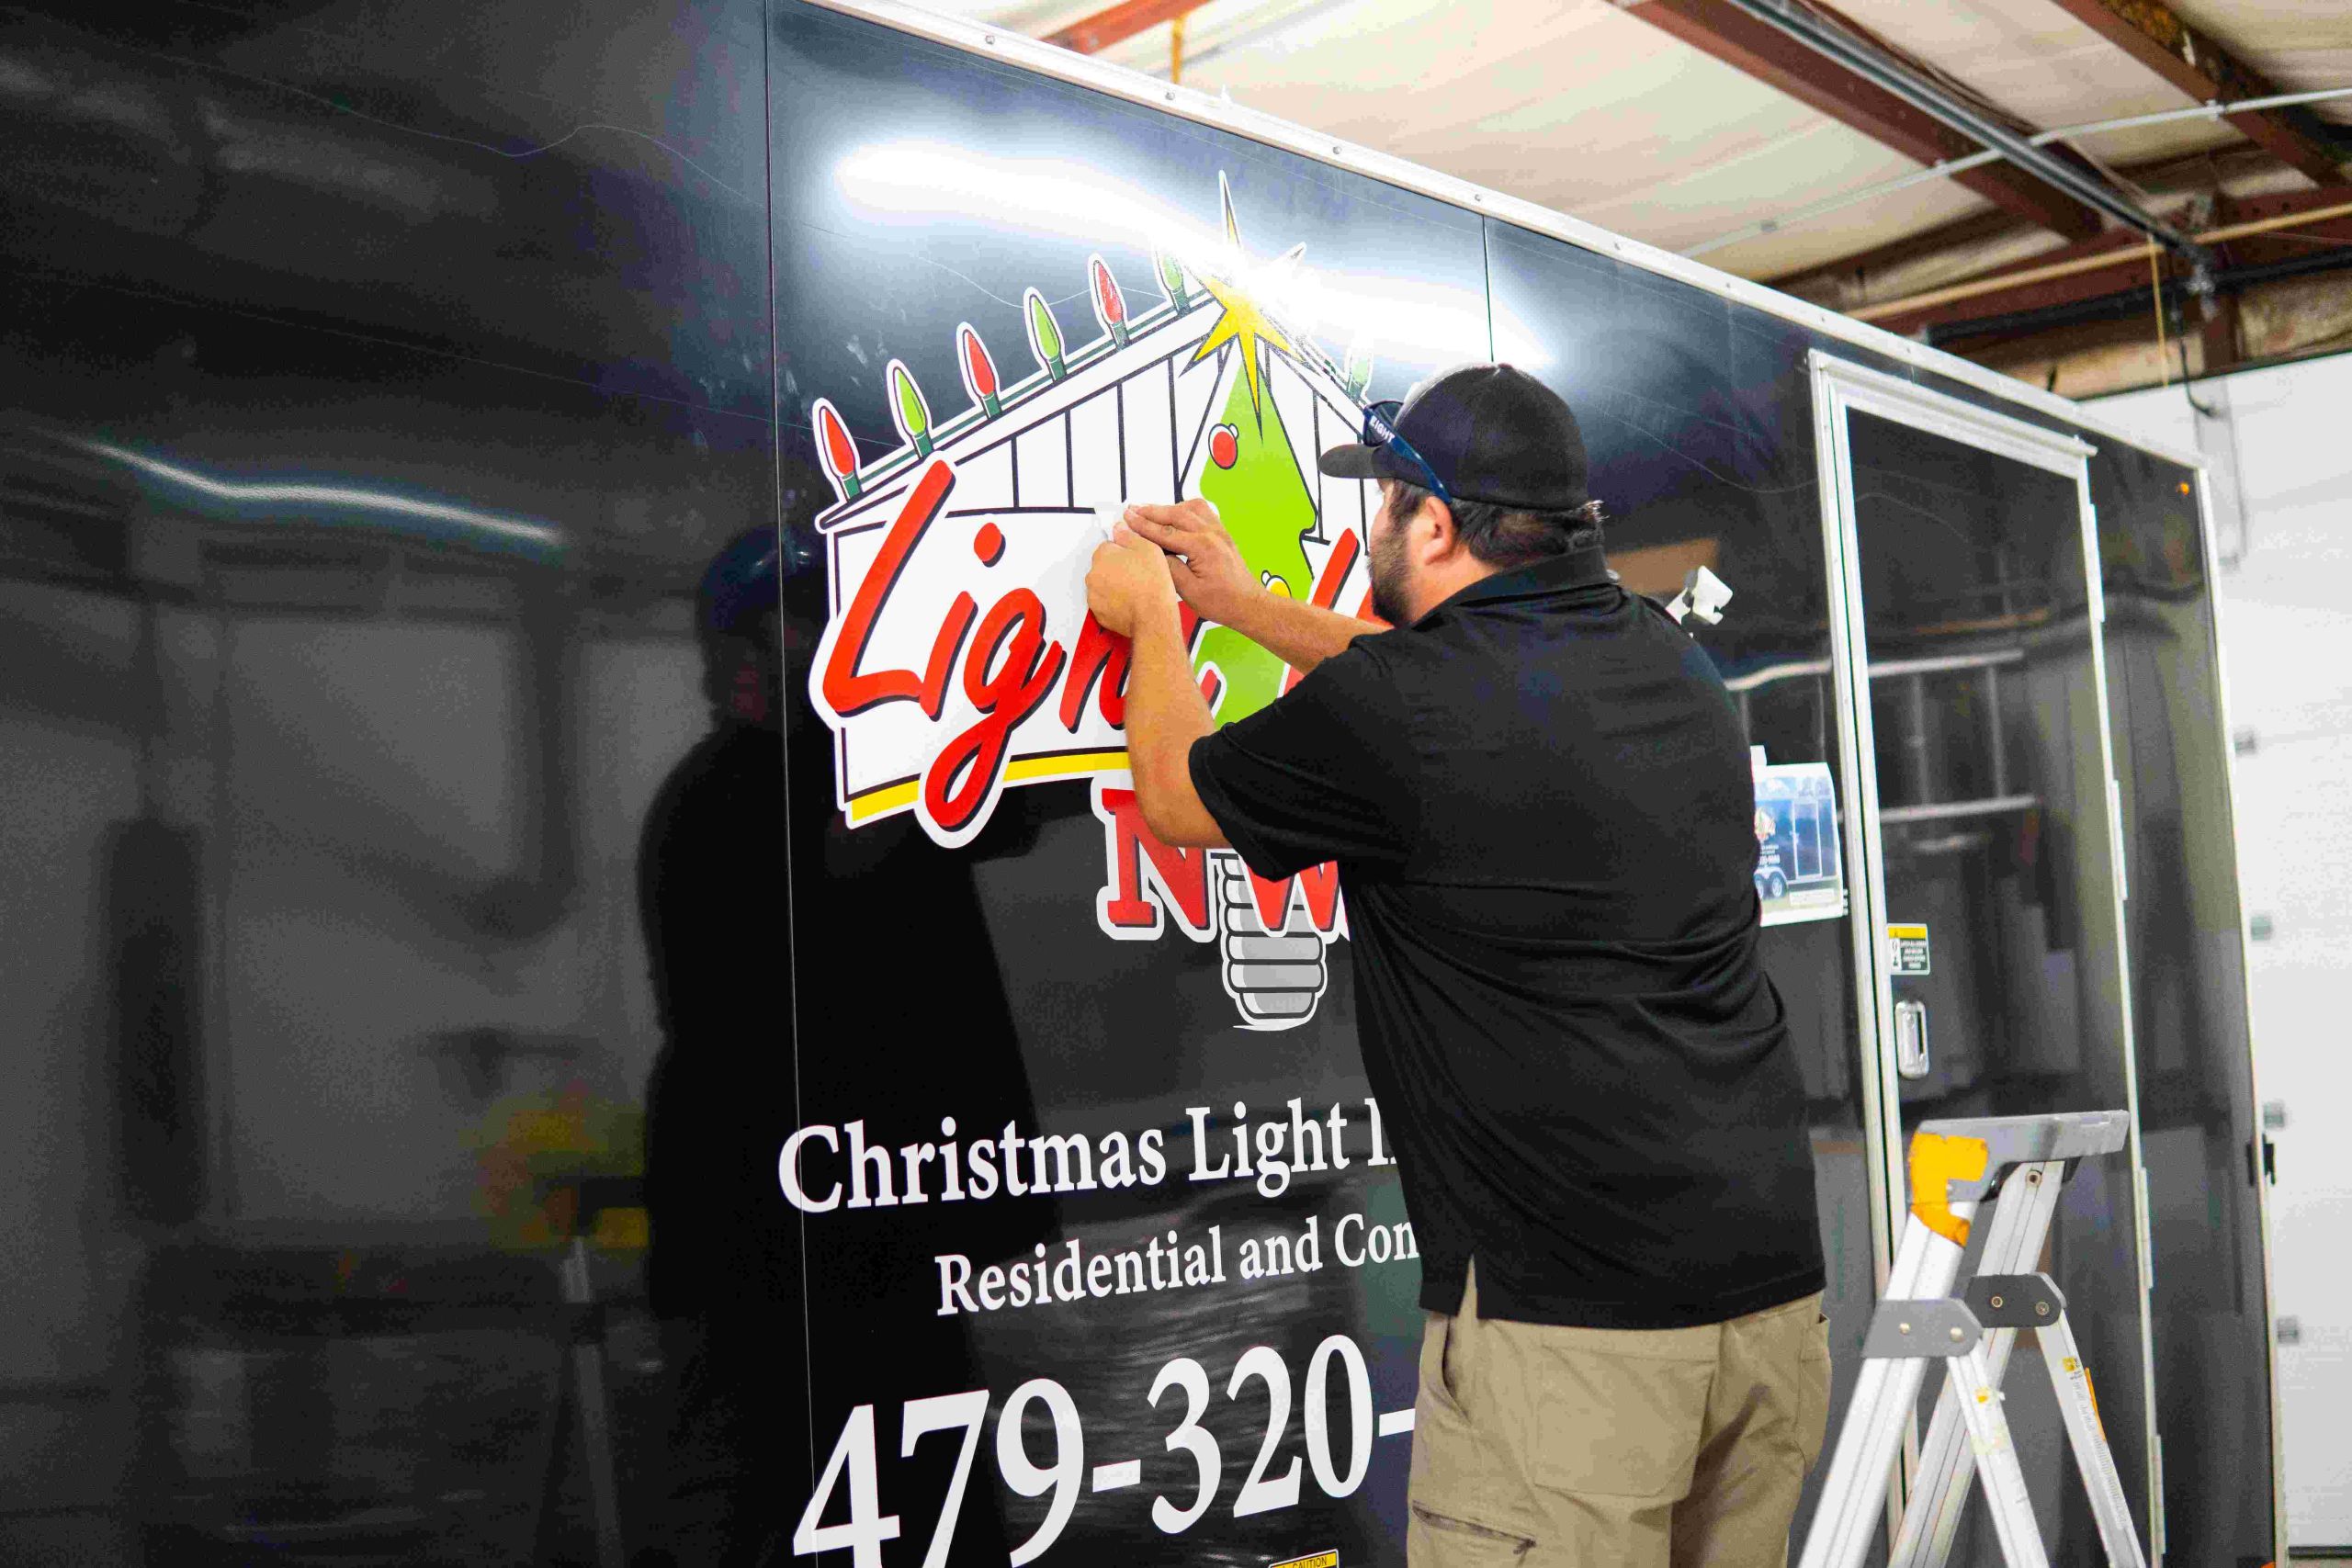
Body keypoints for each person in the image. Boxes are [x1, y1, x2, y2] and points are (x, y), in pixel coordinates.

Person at [1084, 364, 1830, 1568]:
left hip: (1572, 1341)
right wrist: (1244, 601)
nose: (1374, 528)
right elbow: (1418, 687)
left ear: (1434, 524)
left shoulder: (1407, 708)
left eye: (1383, 507)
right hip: (1766, 1312)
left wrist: (1158, 617)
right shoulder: (1668, 666)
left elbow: (1175, 798)